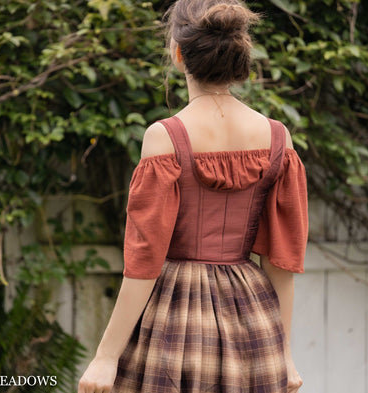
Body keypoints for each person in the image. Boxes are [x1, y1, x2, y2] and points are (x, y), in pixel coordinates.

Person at [78, 0, 308, 392]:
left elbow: (145, 262)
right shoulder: (277, 137)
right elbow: (281, 262)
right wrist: (284, 355)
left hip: (175, 320)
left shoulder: (164, 137)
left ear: (178, 53)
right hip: (253, 321)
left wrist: (105, 356)